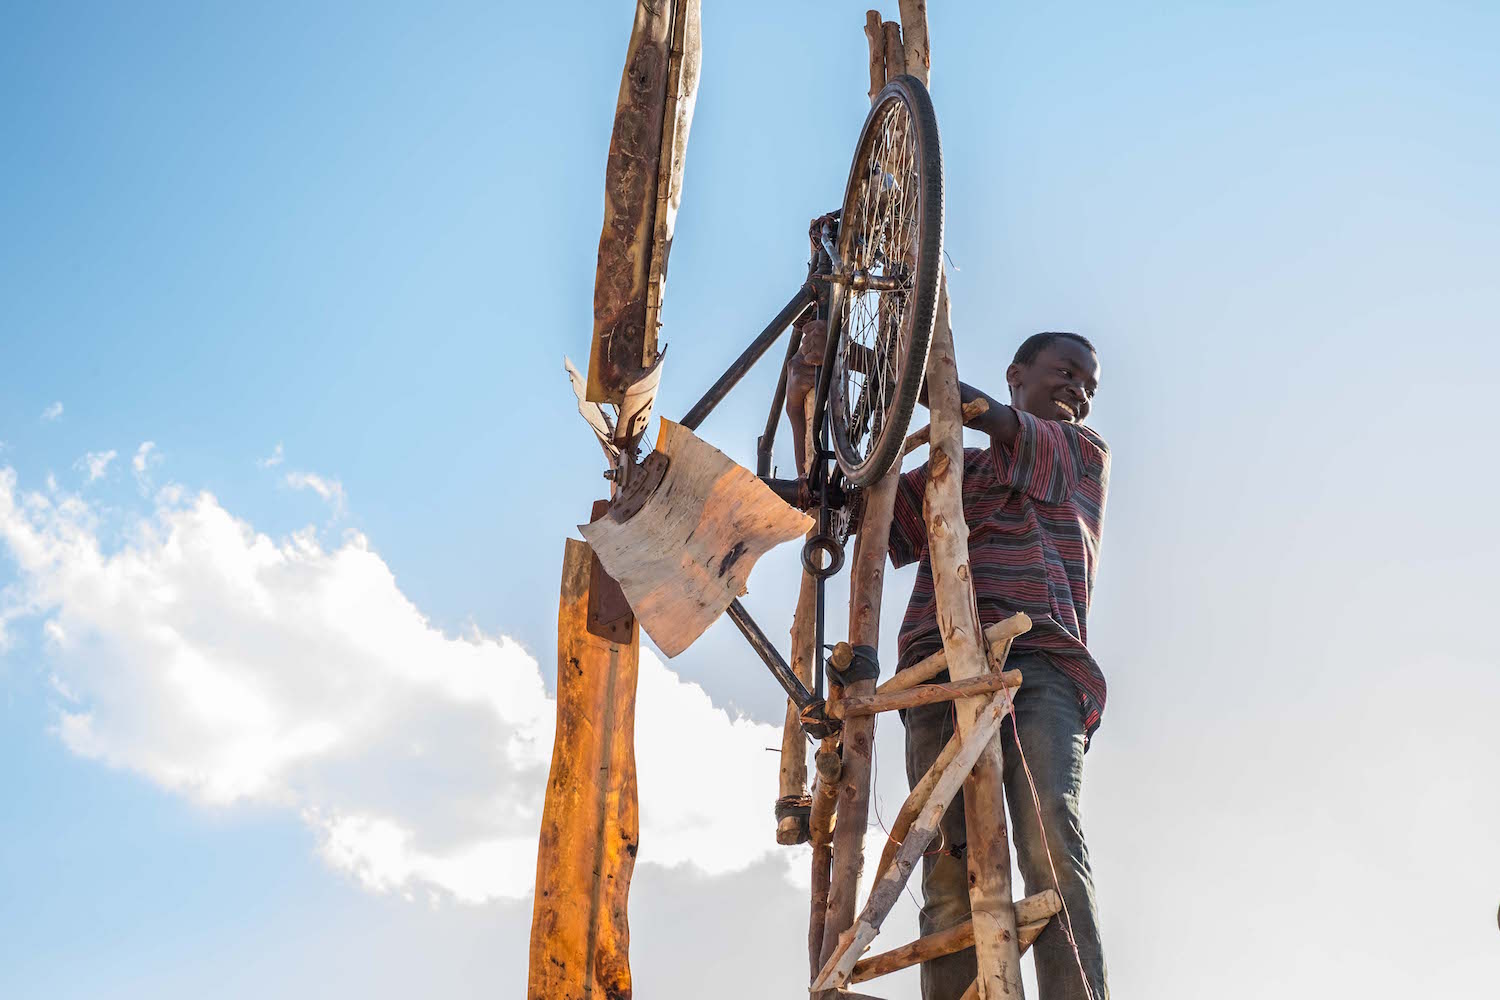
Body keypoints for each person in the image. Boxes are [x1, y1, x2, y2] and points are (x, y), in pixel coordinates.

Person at [786, 328, 1110, 1000]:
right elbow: (844, 515)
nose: (1079, 390)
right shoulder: (949, 472)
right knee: (944, 865)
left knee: (1050, 829)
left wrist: (871, 360)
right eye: (1067, 372)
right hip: (935, 675)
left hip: (1037, 663)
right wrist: (809, 401)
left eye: (1088, 384)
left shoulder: (1078, 454)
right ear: (1019, 372)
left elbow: (963, 404)